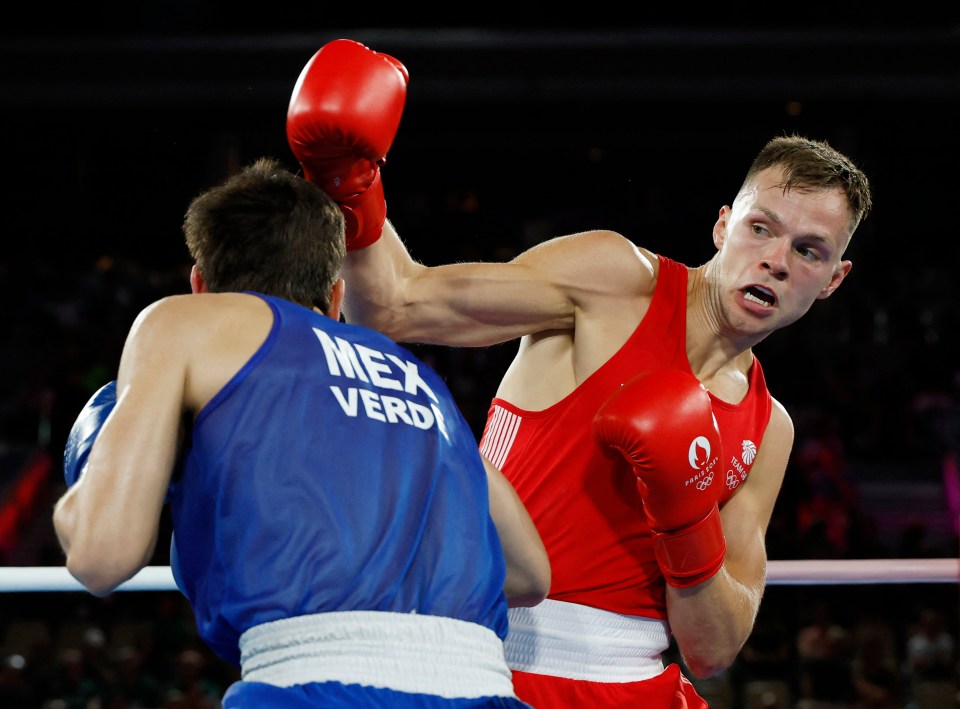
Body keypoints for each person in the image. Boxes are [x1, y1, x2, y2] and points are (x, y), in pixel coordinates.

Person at [285, 38, 873, 707]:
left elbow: (712, 647)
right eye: (761, 228)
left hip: (638, 683)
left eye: (808, 250)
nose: (775, 260)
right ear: (722, 226)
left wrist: (685, 515)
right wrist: (348, 184)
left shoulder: (769, 429)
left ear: (832, 279)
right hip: (486, 657)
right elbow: (396, 305)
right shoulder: (615, 280)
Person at [51, 155, 551, 708]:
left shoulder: (182, 324)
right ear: (336, 298)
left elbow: (102, 557)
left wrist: (93, 473)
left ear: (200, 285)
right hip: (485, 689)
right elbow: (530, 574)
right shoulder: (416, 378)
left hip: (310, 683)